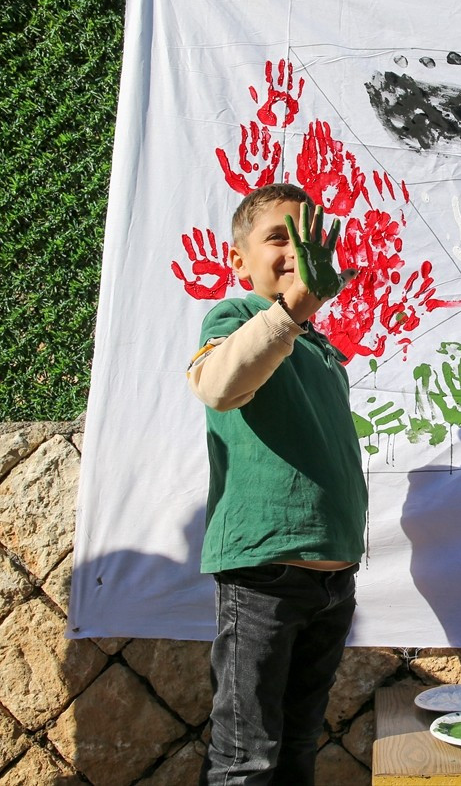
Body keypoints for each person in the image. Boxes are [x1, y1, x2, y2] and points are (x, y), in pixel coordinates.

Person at [187, 182, 366, 785]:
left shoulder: (323, 351)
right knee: (247, 758)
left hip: (332, 580)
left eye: (307, 237)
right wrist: (290, 310)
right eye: (275, 237)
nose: (294, 250)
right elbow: (218, 384)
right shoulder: (235, 318)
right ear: (238, 259)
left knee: (296, 750)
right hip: (262, 574)